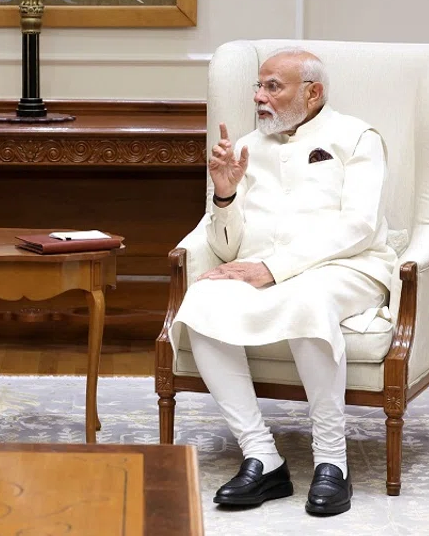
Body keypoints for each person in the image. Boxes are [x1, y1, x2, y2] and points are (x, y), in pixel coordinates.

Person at [169, 48, 396, 516]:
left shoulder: (357, 137)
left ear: (313, 92)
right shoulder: (248, 146)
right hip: (265, 267)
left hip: (349, 266)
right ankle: (262, 456)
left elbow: (360, 225)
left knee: (308, 298)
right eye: (258, 85)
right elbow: (229, 249)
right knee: (203, 299)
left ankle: (332, 461)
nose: (258, 97)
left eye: (273, 86)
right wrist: (225, 193)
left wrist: (275, 269)